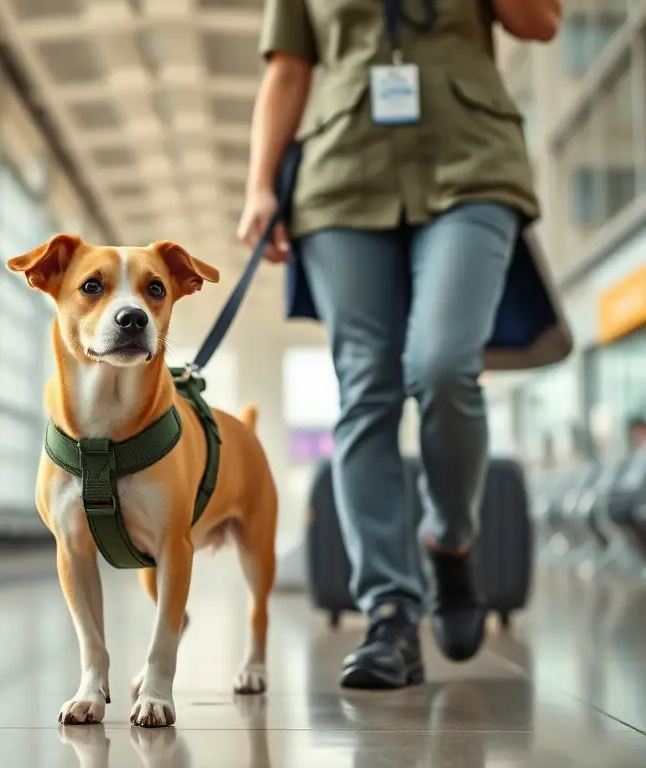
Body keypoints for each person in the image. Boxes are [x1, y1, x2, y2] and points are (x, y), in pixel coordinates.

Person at [238, 0, 561, 689]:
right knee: (365, 390)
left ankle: (451, 540)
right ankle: (388, 607)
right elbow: (289, 70)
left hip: (471, 164)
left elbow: (541, 22)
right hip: (340, 178)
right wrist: (260, 185)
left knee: (444, 365)